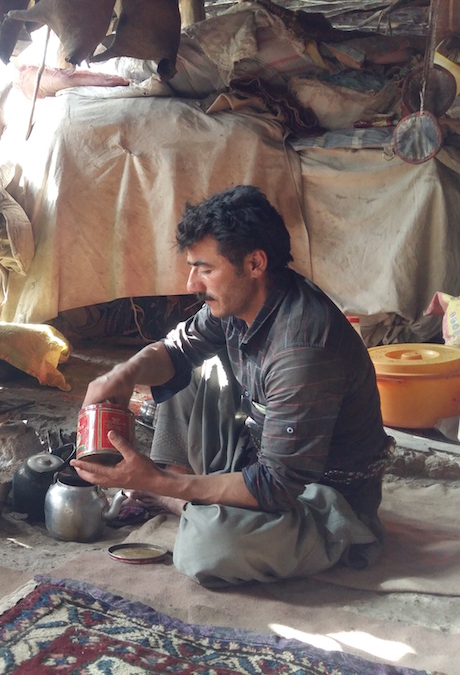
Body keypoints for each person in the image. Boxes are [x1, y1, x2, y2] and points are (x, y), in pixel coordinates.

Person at [71, 185, 392, 588]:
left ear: (255, 263)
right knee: (184, 371)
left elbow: (276, 485)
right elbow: (176, 349)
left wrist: (156, 485)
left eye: (205, 269)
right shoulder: (239, 301)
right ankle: (181, 487)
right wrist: (120, 374)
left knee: (207, 548)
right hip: (261, 454)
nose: (192, 283)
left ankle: (177, 498)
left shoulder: (303, 349)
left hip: (321, 497)